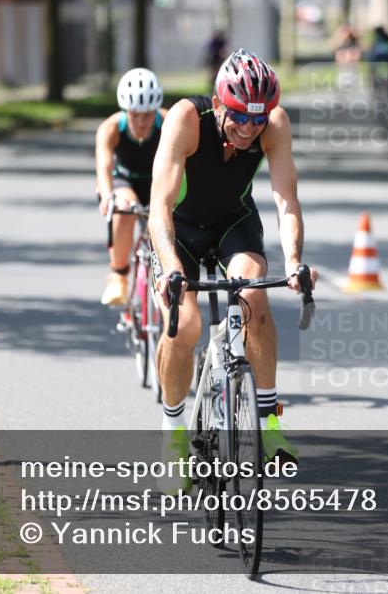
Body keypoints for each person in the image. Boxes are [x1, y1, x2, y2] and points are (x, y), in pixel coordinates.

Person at [148, 49, 318, 489]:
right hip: (179, 229)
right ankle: (174, 435)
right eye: (240, 116)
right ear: (221, 104)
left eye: (257, 119)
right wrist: (169, 270)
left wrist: (295, 262)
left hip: (232, 223)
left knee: (256, 295)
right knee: (183, 324)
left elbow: (286, 201)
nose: (248, 128)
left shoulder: (273, 126)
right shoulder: (186, 118)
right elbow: (159, 206)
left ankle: (268, 426)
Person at [96, 68, 167, 306]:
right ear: (126, 110)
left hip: (159, 180)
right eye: (135, 114)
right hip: (124, 181)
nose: (141, 122)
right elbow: (104, 167)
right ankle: (119, 274)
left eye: (147, 115)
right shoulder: (111, 128)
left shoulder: (168, 122)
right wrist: (107, 196)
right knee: (125, 207)